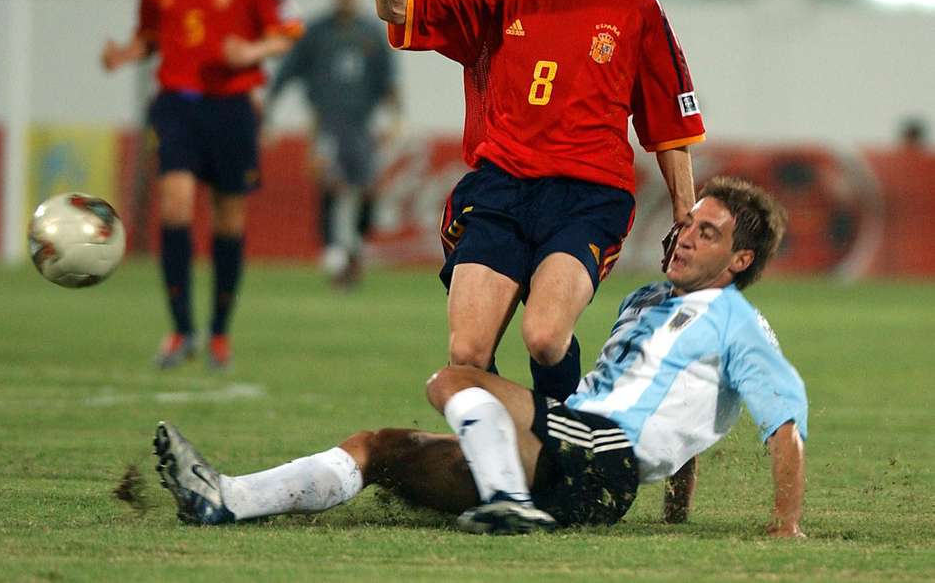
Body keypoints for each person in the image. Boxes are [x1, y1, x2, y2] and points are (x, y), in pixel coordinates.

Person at [154, 176, 807, 537]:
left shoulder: (739, 326)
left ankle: (505, 503)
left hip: (599, 454)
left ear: (740, 261)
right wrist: (676, 510)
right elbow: (678, 410)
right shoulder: (645, 301)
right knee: (379, 448)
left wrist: (786, 527)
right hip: (567, 455)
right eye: (688, 222)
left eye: (708, 233)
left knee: (456, 377)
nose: (685, 236)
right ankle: (226, 500)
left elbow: (784, 422)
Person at [374, 0, 705, 401]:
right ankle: (522, 461)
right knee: (467, 356)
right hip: (501, 189)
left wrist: (685, 215)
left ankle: (562, 447)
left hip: (589, 198)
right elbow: (397, 8)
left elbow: (669, 125)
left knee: (546, 338)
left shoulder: (636, 7)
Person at [102, 0, 302, 369]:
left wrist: (250, 50)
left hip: (232, 106)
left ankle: (218, 334)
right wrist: (126, 53)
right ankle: (180, 330)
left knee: (229, 220)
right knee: (175, 205)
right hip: (177, 103)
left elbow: (289, 31)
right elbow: (150, 34)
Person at [265, 0, 400, 286]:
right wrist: (268, 113)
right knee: (330, 182)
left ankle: (354, 247)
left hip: (361, 124)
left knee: (367, 188)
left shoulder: (370, 32)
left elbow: (388, 80)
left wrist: (396, 117)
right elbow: (286, 72)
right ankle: (333, 253)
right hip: (325, 122)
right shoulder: (316, 32)